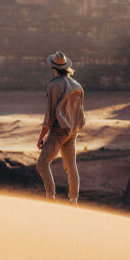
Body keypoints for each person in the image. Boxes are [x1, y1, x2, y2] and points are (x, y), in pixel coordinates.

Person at [36, 51, 85, 204]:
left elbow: (49, 116)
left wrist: (41, 138)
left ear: (53, 68)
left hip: (58, 132)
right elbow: (79, 112)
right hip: (73, 132)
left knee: (42, 164)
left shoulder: (53, 85)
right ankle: (73, 201)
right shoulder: (77, 86)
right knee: (71, 167)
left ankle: (51, 198)